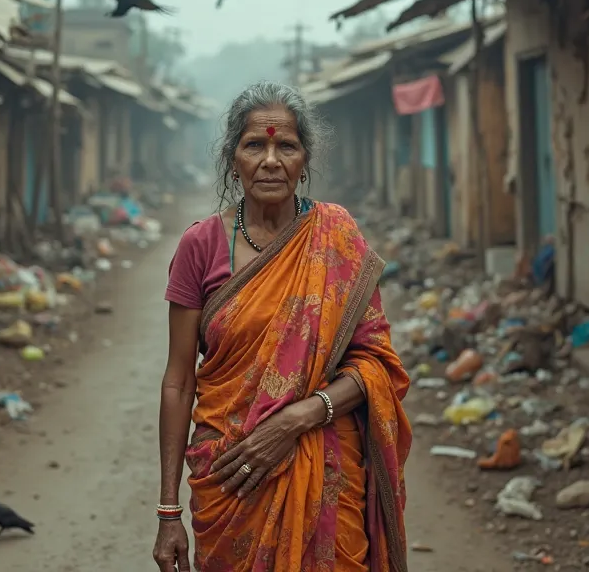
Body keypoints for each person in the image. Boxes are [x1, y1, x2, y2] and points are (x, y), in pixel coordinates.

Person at [153, 81, 412, 572]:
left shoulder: (336, 237)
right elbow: (179, 380)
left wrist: (300, 418)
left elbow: (377, 364)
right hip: (231, 480)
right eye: (255, 145)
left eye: (286, 146)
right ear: (233, 158)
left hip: (326, 472)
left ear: (304, 158)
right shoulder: (201, 246)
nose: (271, 160)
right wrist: (169, 511)